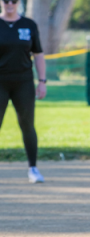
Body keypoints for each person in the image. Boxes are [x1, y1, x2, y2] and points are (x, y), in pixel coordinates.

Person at [0, 0, 47, 183]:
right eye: (6, 1)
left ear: (18, 3)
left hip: (23, 83)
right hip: (0, 82)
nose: (10, 4)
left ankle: (33, 168)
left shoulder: (29, 25)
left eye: (14, 1)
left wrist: (42, 81)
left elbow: (39, 54)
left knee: (27, 125)